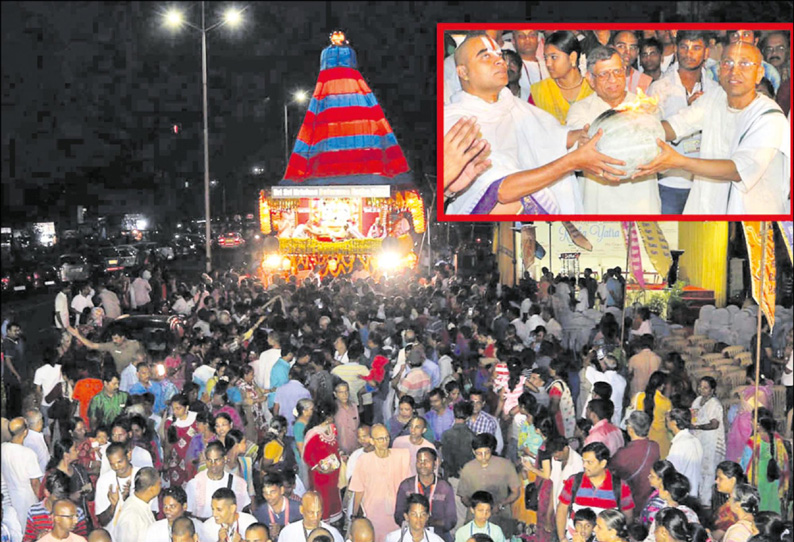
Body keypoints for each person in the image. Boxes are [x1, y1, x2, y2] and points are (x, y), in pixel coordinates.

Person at [444, 32, 624, 215]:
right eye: (485, 56)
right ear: (463, 72)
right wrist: (571, 162)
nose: (500, 61)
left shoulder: (514, 106)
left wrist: (592, 134)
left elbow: (557, 137)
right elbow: (501, 191)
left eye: (499, 55)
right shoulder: (456, 121)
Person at [634, 42, 790, 215]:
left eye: (744, 64)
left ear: (759, 74)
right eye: (727, 63)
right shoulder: (715, 97)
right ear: (719, 70)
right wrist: (636, 127)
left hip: (753, 221)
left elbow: (739, 170)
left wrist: (680, 162)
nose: (734, 71)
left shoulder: (770, 116)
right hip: (709, 209)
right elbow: (676, 125)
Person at [567, 45, 661, 214]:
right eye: (604, 74)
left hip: (642, 202)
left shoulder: (645, 106)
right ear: (590, 78)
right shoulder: (580, 110)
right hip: (599, 207)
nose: (613, 80)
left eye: (617, 72)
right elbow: (578, 153)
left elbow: (659, 151)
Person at [647, 30, 720, 214]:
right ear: (676, 50)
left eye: (696, 48)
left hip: (705, 182)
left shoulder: (715, 89)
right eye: (684, 47)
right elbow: (649, 133)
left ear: (706, 53)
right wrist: (689, 112)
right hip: (669, 182)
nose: (689, 53)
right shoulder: (659, 88)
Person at [556, 442, 634, 542]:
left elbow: (627, 516)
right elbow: (562, 509)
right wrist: (562, 538)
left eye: (589, 462)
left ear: (603, 463)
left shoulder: (620, 486)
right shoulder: (574, 481)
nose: (584, 465)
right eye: (583, 461)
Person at [349, 424, 411, 542]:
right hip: (374, 512)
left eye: (387, 438)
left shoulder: (401, 456)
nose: (385, 441)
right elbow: (359, 489)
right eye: (380, 439)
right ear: (372, 441)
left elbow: (407, 487)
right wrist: (355, 514)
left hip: (396, 512)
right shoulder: (364, 460)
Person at [457, 433, 520, 537]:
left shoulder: (505, 465)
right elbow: (464, 496)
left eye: (486, 453)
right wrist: (477, 509)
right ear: (473, 451)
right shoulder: (468, 468)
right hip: (474, 520)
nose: (483, 457)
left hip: (500, 517)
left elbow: (515, 492)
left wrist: (500, 504)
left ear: (491, 450)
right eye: (478, 453)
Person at [529, 31, 594, 124]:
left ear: (572, 57)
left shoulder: (593, 88)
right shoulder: (539, 91)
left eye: (554, 57)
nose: (548, 63)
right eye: (545, 58)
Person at [394, 448, 456, 541]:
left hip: (439, 534)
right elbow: (398, 515)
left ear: (435, 464)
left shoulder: (444, 487)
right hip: (412, 534)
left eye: (426, 461)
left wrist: (430, 522)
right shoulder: (406, 486)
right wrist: (416, 522)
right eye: (419, 461)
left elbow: (451, 520)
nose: (422, 464)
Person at [609, 411, 660, 514]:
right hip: (649, 503)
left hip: (630, 505)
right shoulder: (654, 447)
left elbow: (609, 474)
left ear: (631, 430)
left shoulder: (622, 454)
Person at [739, 409, 789, 514]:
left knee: (760, 510)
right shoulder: (778, 440)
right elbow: (784, 464)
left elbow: (744, 465)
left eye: (752, 419)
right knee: (772, 510)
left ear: (758, 424)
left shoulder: (753, 441)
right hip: (775, 482)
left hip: (758, 482)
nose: (750, 422)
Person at [185, 441, 250, 521]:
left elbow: (245, 511)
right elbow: (188, 513)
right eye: (209, 460)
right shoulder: (194, 484)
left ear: (225, 458)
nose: (213, 464)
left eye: (217, 460)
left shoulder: (238, 483)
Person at [302, 401, 343, 524]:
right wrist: (319, 468)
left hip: (333, 473)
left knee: (332, 494)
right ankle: (322, 522)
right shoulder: (313, 434)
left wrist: (340, 456)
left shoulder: (333, 429)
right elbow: (307, 456)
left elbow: (334, 447)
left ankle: (333, 520)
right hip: (320, 475)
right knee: (322, 497)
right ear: (327, 416)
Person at [23, 470, 89, 542]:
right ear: (47, 492)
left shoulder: (76, 511)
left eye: (65, 497)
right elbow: (27, 539)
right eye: (58, 497)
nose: (62, 501)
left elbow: (82, 537)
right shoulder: (34, 511)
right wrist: (39, 538)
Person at [690, 377, 725, 505]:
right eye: (700, 387)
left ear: (712, 390)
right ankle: (698, 500)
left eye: (705, 388)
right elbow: (693, 416)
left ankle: (707, 503)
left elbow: (714, 424)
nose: (702, 390)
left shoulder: (714, 404)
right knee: (699, 470)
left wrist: (698, 426)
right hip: (699, 440)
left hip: (711, 441)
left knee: (709, 472)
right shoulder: (698, 401)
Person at [2, 418, 43, 526]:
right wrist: (41, 501)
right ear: (25, 432)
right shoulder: (28, 454)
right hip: (26, 498)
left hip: (9, 496)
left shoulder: (3, 448)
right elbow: (35, 483)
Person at [441, 402, 475, 530]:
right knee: (465, 513)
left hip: (452, 477)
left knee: (454, 512)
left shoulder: (446, 435)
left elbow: (445, 458)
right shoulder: (472, 436)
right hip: (468, 478)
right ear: (468, 416)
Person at [645, 471, 701, 542]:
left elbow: (652, 538)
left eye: (661, 487)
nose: (658, 489)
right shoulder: (691, 512)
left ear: (667, 492)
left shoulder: (666, 515)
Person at [66, 326, 145, 375]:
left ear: (123, 337)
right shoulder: (111, 346)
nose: (114, 341)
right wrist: (77, 335)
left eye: (116, 338)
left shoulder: (135, 344)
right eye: (113, 338)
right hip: (121, 378)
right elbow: (92, 345)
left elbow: (143, 358)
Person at [115, 467, 161, 542]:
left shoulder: (142, 505)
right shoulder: (131, 516)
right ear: (151, 489)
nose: (161, 487)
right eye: (159, 484)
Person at [252, 471, 302, 540]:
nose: (269, 496)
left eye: (272, 492)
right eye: (265, 493)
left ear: (282, 490)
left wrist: (282, 529)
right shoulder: (260, 513)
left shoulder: (298, 509)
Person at [632, 372, 672, 458]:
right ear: (662, 386)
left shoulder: (638, 397)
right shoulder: (666, 402)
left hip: (641, 438)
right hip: (660, 441)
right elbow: (669, 424)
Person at [276, 491, 343, 542]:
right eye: (311, 512)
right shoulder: (288, 533)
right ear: (301, 509)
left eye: (319, 512)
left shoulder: (333, 533)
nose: (316, 517)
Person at [665, 409, 703, 499]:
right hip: (694, 492)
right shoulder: (695, 440)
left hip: (682, 494)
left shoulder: (679, 444)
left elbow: (672, 471)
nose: (666, 423)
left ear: (674, 423)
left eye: (667, 420)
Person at [164, 394, 199, 488]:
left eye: (178, 408)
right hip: (176, 463)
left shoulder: (196, 419)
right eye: (173, 408)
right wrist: (166, 463)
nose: (175, 411)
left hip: (193, 462)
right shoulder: (169, 422)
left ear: (187, 407)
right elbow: (168, 444)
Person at [711, 461, 745, 540]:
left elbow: (722, 532)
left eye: (720, 478)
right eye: (716, 478)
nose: (716, 481)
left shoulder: (736, 504)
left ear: (732, 480)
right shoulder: (728, 499)